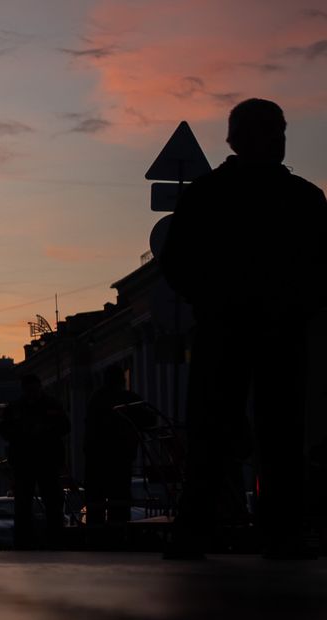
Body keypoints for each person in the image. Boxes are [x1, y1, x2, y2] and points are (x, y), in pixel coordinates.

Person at [160, 98, 327, 560]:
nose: (276, 139)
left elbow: (176, 264)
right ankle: (279, 534)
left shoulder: (207, 194)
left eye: (277, 130)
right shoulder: (303, 198)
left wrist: (211, 301)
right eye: (270, 131)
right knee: (278, 433)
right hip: (274, 330)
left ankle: (197, 530)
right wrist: (296, 307)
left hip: (228, 329)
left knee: (217, 431)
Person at [0, 374, 70, 549]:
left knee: (52, 503)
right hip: (26, 463)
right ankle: (25, 542)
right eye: (29, 390)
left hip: (46, 461)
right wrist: (23, 433)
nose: (33, 393)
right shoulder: (16, 408)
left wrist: (44, 430)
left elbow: (65, 426)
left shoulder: (50, 405)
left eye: (35, 389)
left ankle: (54, 540)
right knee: (24, 505)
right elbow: (4, 430)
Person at [84, 365, 141, 528]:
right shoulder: (127, 397)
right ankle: (119, 532)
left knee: (96, 500)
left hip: (96, 458)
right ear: (121, 380)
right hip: (120, 457)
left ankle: (96, 534)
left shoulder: (96, 398)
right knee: (120, 498)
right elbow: (148, 418)